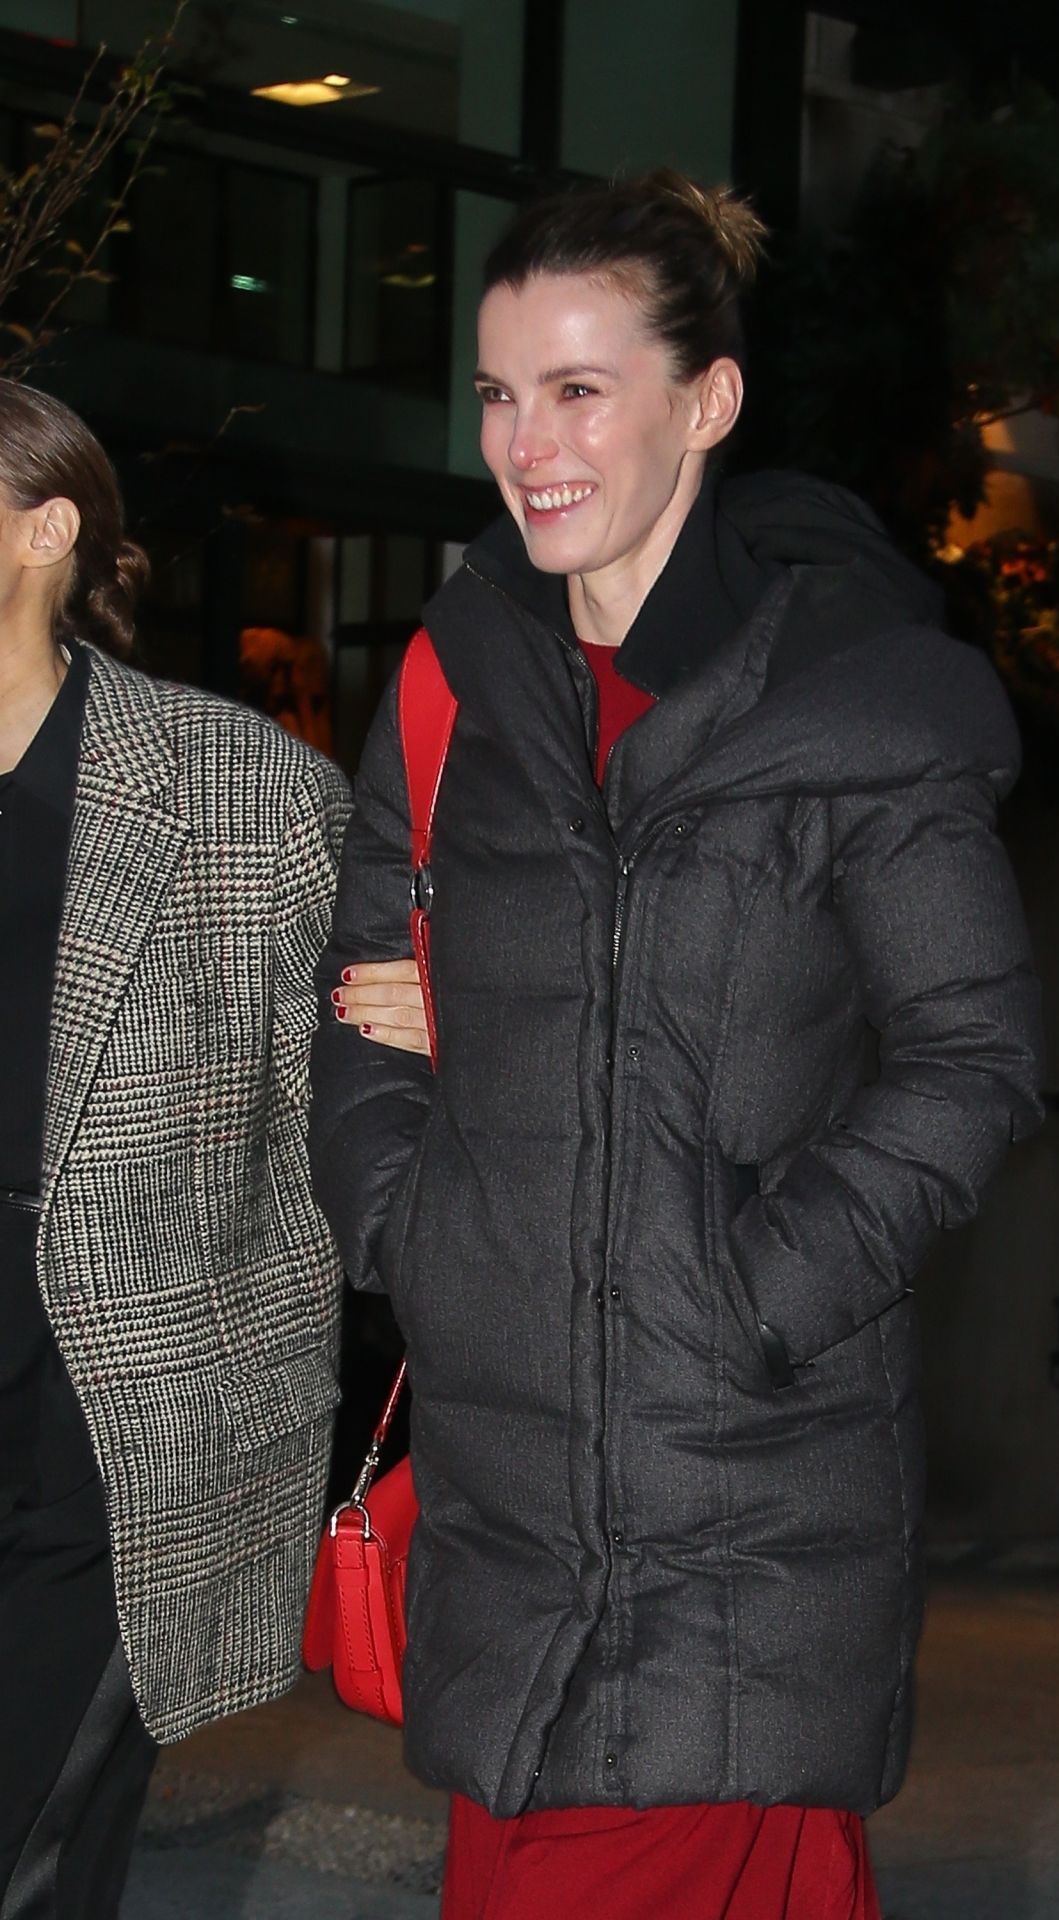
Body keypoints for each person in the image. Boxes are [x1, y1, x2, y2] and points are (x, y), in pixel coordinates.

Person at [311, 170, 1043, 1919]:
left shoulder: (854, 703)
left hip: (749, 1517)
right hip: (508, 1510)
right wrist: (420, 1234)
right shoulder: (453, 689)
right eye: (500, 393)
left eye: (580, 388)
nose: (528, 442)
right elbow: (355, 1004)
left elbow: (972, 1052)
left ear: (704, 402)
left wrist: (758, 1291)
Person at [0, 377, 412, 1918]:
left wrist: (435, 1017)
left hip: (127, 1408)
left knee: (36, 1830)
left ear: (47, 530)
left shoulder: (240, 795)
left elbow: (364, 1063)